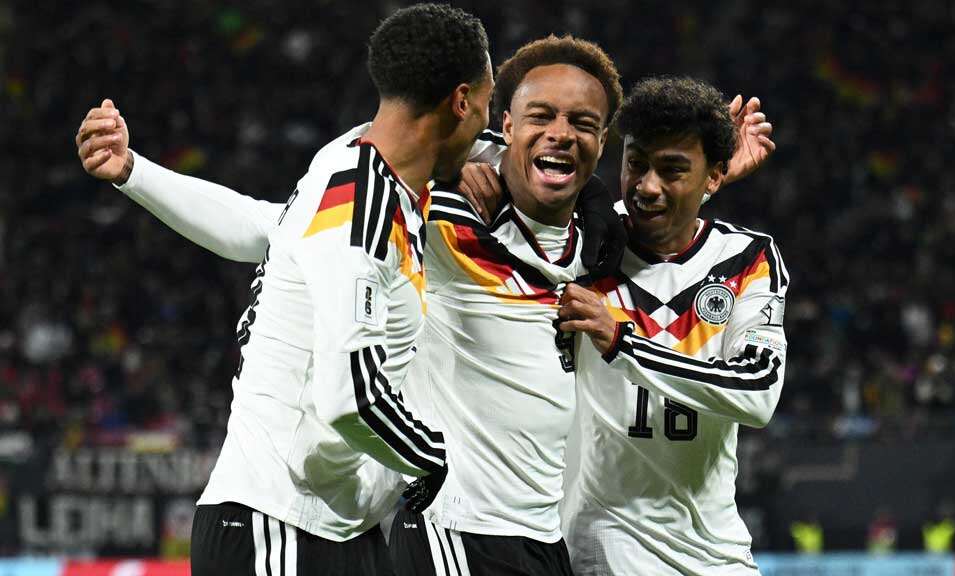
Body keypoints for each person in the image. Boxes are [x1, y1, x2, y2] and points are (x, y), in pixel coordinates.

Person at [76, 39, 772, 575]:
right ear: (502, 125)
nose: (561, 132)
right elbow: (269, 228)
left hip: (546, 539)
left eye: (583, 123)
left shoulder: (600, 244)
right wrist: (137, 173)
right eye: (541, 117)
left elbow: (658, 222)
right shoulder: (432, 213)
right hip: (450, 531)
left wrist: (702, 180)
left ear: (600, 146)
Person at [74, 4, 493, 574]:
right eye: (489, 104)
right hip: (281, 526)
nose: (488, 129)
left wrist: (134, 170)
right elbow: (353, 395)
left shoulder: (350, 164)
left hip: (338, 525)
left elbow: (260, 228)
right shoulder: (361, 208)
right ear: (461, 102)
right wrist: (432, 459)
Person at [557, 76, 789, 575]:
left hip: (717, 550)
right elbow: (521, 166)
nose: (646, 185)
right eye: (636, 163)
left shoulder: (745, 258)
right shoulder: (583, 245)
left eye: (672, 170)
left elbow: (758, 391)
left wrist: (623, 342)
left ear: (715, 177)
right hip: (606, 541)